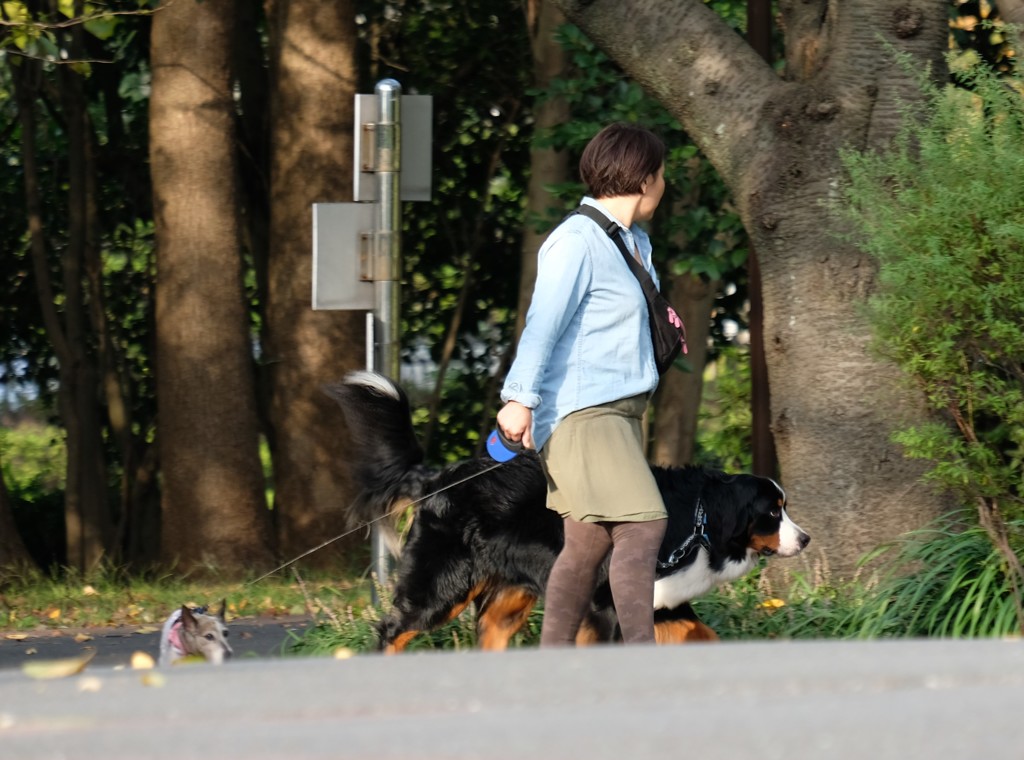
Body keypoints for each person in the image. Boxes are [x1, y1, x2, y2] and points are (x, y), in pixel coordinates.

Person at [497, 122, 669, 646]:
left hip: (617, 414)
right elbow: (542, 324)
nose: (664, 184)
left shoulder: (631, 242)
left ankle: (554, 668)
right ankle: (643, 664)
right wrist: (518, 399)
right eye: (661, 175)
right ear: (644, 179)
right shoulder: (576, 241)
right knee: (643, 527)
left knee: (587, 543)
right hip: (584, 414)